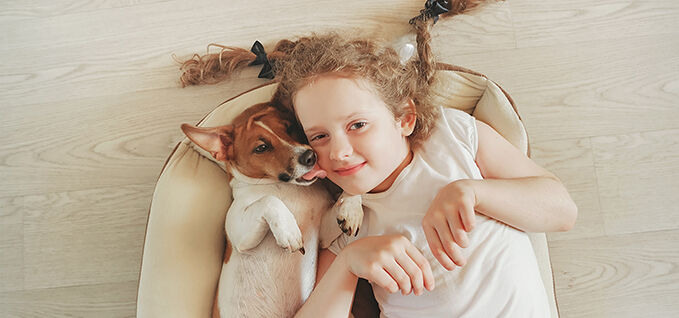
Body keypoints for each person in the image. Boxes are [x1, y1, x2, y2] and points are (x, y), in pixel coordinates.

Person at [179, 7, 578, 318]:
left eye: (357, 125)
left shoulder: (452, 136)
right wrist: (351, 262)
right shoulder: (345, 220)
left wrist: (471, 191)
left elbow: (562, 210)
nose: (338, 152)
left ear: (404, 118)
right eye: (319, 136)